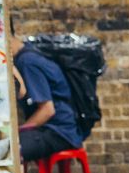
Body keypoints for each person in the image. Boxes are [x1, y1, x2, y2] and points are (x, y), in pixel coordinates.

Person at [9, 34, 82, 165]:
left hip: (58, 131)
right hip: (67, 128)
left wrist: (19, 130)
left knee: (11, 149)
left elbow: (47, 110)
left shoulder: (27, 62)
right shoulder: (32, 52)